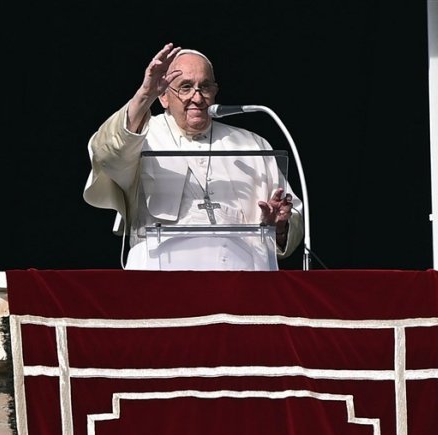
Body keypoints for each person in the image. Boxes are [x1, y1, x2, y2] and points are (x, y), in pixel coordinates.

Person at [84, 43, 304, 270]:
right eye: (185, 87)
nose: (197, 98)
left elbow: (292, 216)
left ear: (215, 91)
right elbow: (106, 154)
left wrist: (278, 228)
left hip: (241, 281)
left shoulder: (252, 144)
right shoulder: (140, 134)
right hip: (160, 279)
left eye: (205, 87)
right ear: (163, 96)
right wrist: (144, 94)